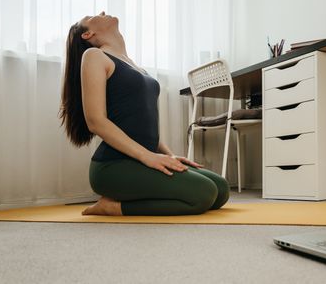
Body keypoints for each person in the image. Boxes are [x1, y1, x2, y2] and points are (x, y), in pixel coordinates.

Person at [59, 11, 229, 216]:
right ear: (88, 34)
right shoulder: (94, 56)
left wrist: (170, 156)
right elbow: (96, 122)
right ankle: (112, 207)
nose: (102, 12)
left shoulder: (135, 66)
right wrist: (148, 157)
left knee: (220, 190)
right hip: (112, 167)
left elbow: (143, 125)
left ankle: (132, 194)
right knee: (203, 194)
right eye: (91, 16)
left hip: (143, 160)